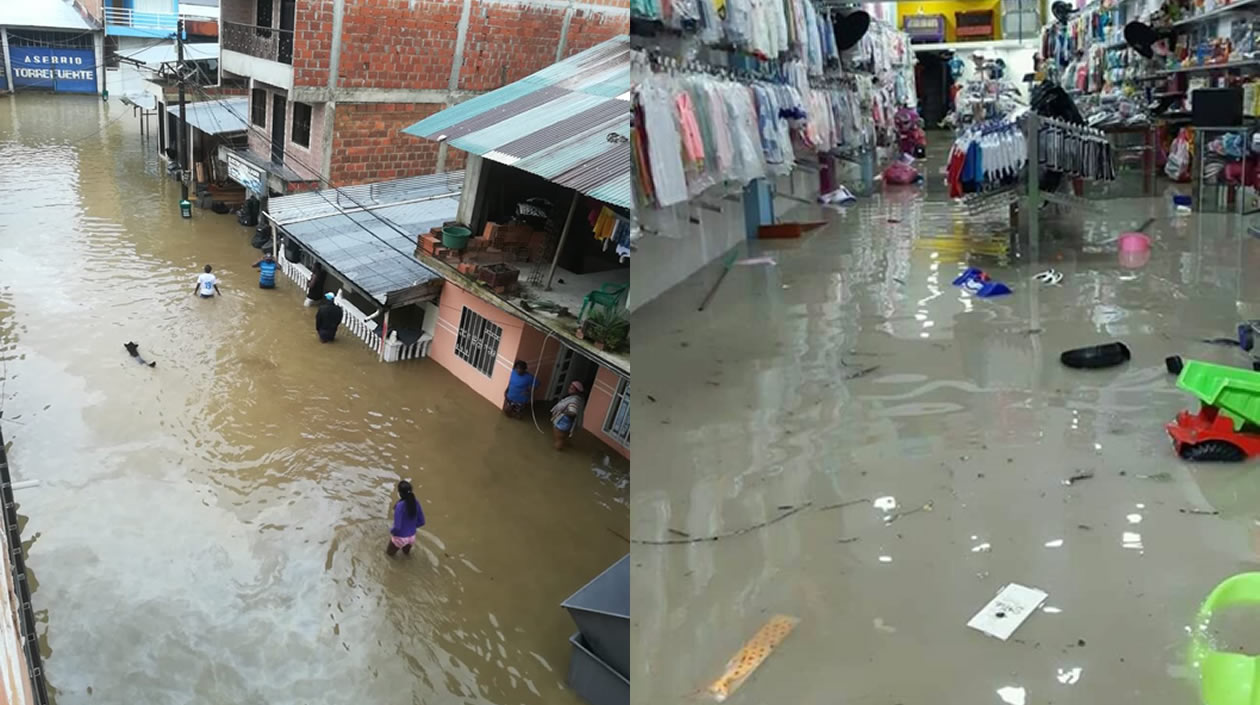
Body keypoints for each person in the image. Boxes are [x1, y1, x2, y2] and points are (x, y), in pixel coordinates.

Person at [386, 480, 425, 557]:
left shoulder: (399, 506)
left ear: (400, 493)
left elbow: (397, 527)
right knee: (406, 556)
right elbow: (422, 522)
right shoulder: (416, 502)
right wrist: (410, 528)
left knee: (388, 556)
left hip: (400, 538)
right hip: (412, 537)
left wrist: (391, 531)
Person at [550, 381, 586, 450]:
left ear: (577, 391)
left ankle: (556, 452)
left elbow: (573, 412)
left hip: (563, 422)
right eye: (570, 387)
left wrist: (563, 412)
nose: (569, 389)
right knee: (562, 438)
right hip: (567, 423)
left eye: (572, 389)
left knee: (559, 439)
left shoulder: (574, 400)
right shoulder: (578, 399)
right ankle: (562, 445)